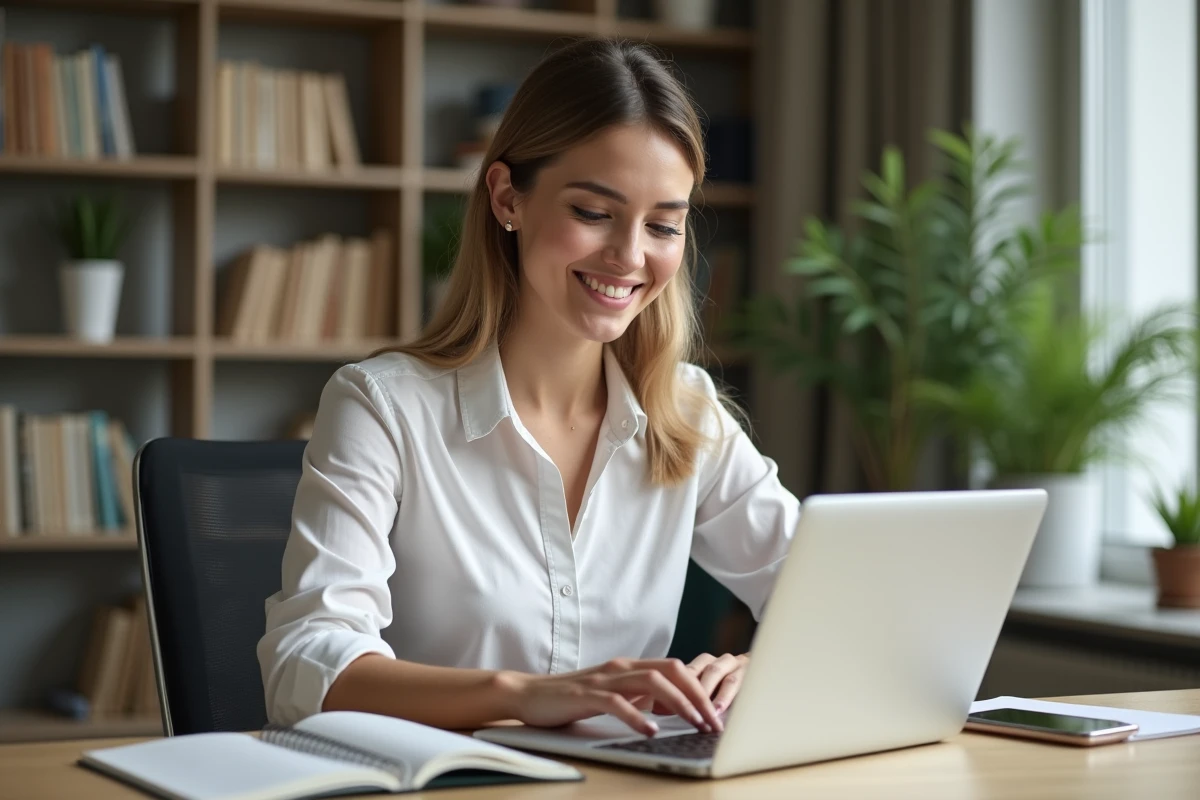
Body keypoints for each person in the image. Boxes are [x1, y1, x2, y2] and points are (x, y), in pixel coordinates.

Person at [257, 37, 800, 739]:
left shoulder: (685, 413)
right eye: (594, 213)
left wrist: (767, 665)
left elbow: (832, 596)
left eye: (663, 224)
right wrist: (525, 694)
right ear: (508, 198)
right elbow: (307, 665)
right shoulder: (382, 408)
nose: (630, 257)